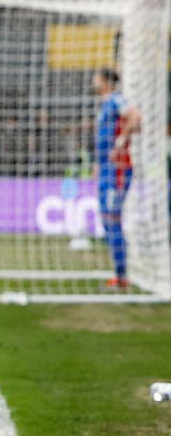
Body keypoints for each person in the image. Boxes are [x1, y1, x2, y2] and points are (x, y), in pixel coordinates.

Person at [94, 67, 141, 289]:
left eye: (96, 77)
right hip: (106, 169)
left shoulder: (116, 100)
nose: (93, 81)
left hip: (118, 169)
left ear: (105, 81)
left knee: (113, 218)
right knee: (107, 219)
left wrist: (121, 142)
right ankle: (119, 272)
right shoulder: (105, 104)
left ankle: (122, 276)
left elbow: (136, 118)